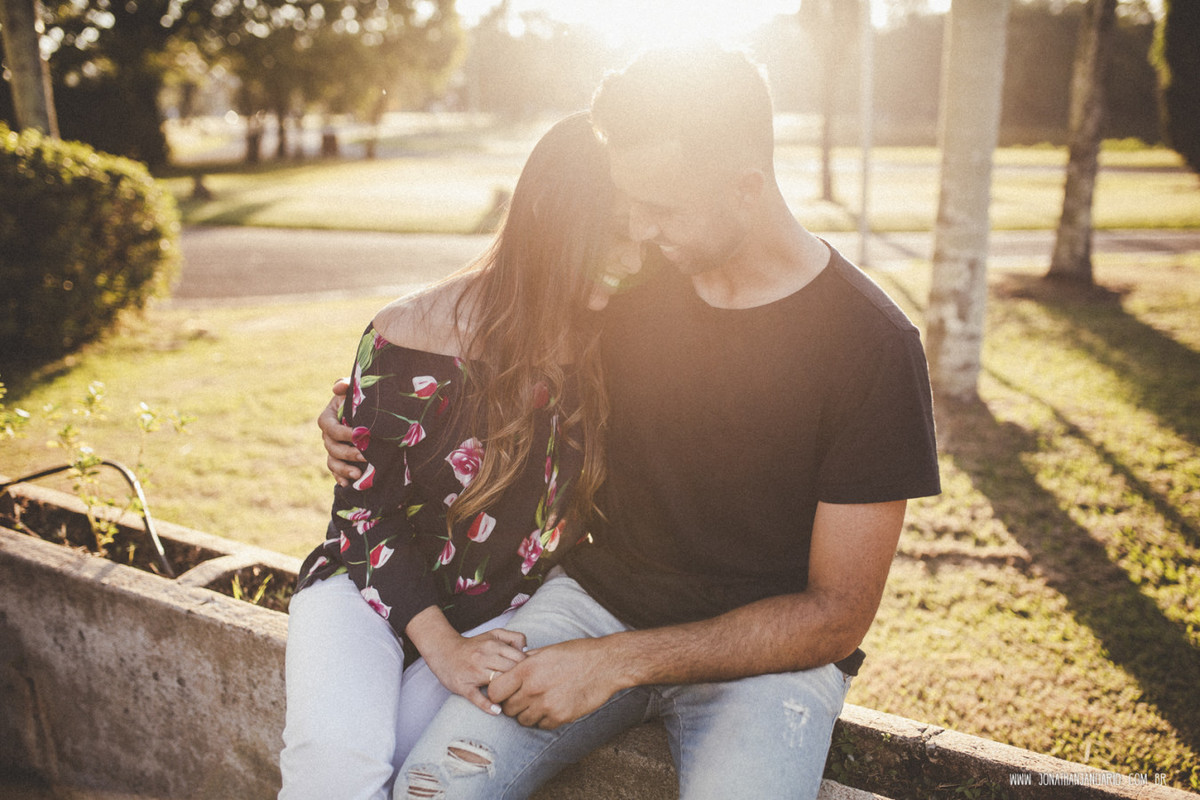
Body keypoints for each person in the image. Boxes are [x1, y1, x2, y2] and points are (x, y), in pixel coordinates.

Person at [322, 43, 941, 800]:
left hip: (766, 661)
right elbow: (483, 346)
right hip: (589, 604)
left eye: (662, 208)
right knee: (432, 789)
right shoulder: (636, 285)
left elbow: (837, 615)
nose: (638, 231)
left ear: (747, 188)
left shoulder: (873, 347)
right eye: (630, 202)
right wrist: (363, 409)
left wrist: (618, 662)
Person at [280, 112, 642, 799]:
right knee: (333, 765)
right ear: (551, 218)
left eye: (640, 231)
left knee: (423, 773)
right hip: (367, 586)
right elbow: (363, 512)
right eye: (614, 233)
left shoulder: (620, 343)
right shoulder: (410, 330)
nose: (633, 257)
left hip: (505, 608)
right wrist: (442, 648)